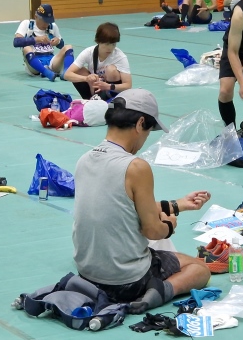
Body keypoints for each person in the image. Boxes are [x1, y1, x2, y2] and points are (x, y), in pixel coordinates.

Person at [72, 89, 211, 313]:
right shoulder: (135, 166)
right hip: (126, 281)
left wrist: (178, 205)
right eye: (148, 131)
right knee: (199, 269)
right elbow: (153, 231)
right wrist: (169, 225)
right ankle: (159, 292)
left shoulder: (84, 160)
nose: (145, 139)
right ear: (140, 123)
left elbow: (120, 208)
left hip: (87, 275)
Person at [63, 22, 132, 100]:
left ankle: (110, 101)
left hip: (110, 91)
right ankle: (89, 100)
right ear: (98, 41)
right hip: (94, 89)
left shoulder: (120, 57)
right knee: (78, 70)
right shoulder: (89, 52)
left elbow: (128, 85)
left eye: (113, 44)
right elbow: (67, 75)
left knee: (111, 70)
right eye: (107, 44)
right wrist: (86, 78)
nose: (110, 48)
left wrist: (109, 86)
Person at [13, 4, 73, 82]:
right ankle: (46, 72)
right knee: (26, 48)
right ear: (36, 17)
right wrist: (36, 39)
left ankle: (66, 73)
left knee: (68, 47)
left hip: (51, 60)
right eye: (45, 21)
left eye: (49, 21)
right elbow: (16, 42)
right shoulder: (27, 24)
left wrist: (58, 41)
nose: (47, 24)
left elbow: (61, 45)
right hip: (34, 62)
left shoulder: (52, 26)